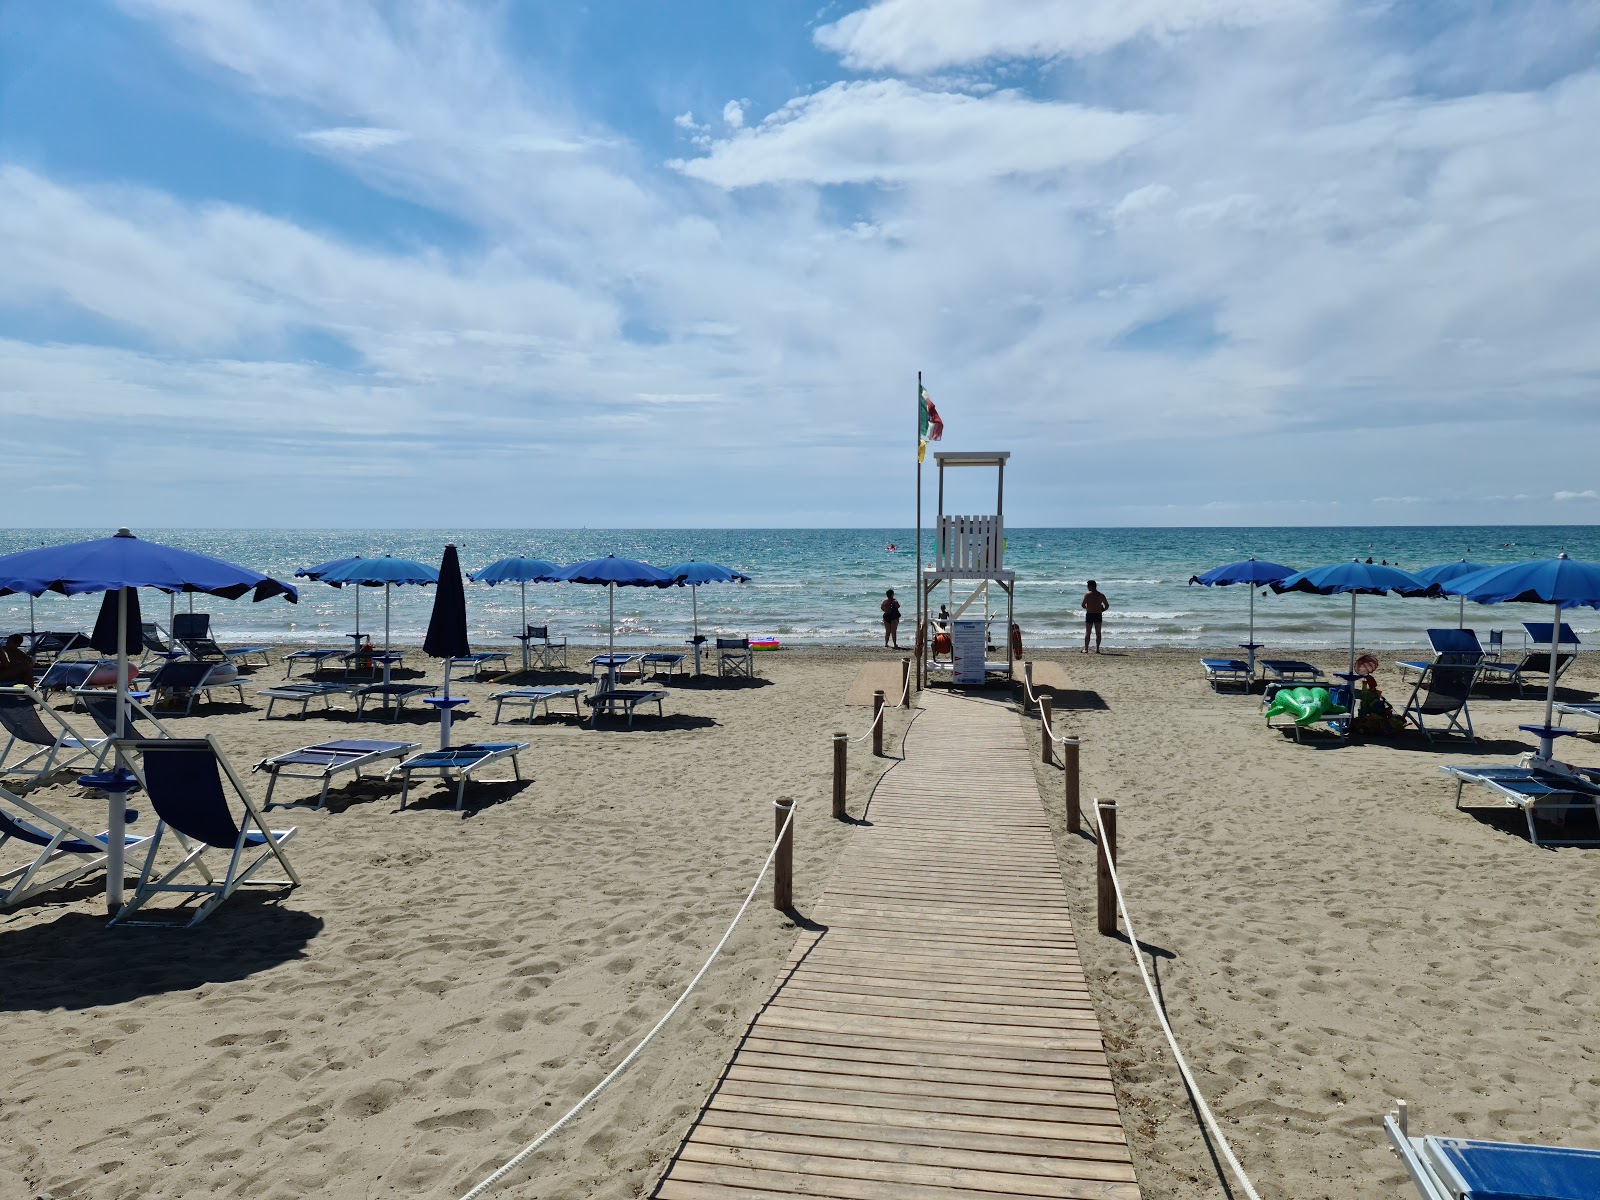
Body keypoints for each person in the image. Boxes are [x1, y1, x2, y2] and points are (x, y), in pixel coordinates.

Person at [1081, 581, 1109, 654]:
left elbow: (1083, 605)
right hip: (1098, 614)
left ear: (1091, 586)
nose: (1087, 587)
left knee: (1088, 632)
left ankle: (1086, 649)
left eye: (1088, 586)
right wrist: (1102, 610)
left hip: (1090, 614)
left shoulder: (1087, 595)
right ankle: (1097, 649)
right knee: (1098, 632)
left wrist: (1088, 607)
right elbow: (1107, 605)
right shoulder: (1101, 595)